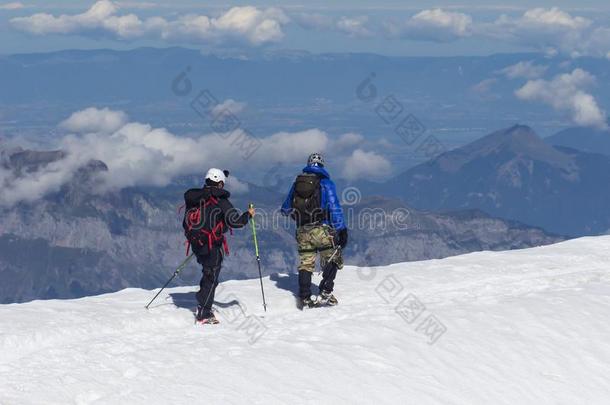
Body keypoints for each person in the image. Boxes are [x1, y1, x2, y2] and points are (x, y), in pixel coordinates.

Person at [183, 168, 254, 324]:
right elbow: (235, 222)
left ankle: (202, 301)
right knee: (211, 277)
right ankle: (204, 313)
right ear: (220, 183)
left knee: (207, 272)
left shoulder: (194, 198)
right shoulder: (221, 201)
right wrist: (248, 215)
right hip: (211, 245)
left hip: (196, 243)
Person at [281, 153, 348, 309]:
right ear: (322, 165)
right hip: (322, 230)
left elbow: (285, 208)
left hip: (303, 230)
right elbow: (334, 208)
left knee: (306, 263)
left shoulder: (297, 183)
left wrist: (298, 216)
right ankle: (325, 291)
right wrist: (341, 229)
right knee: (333, 258)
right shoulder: (327, 184)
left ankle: (304, 297)